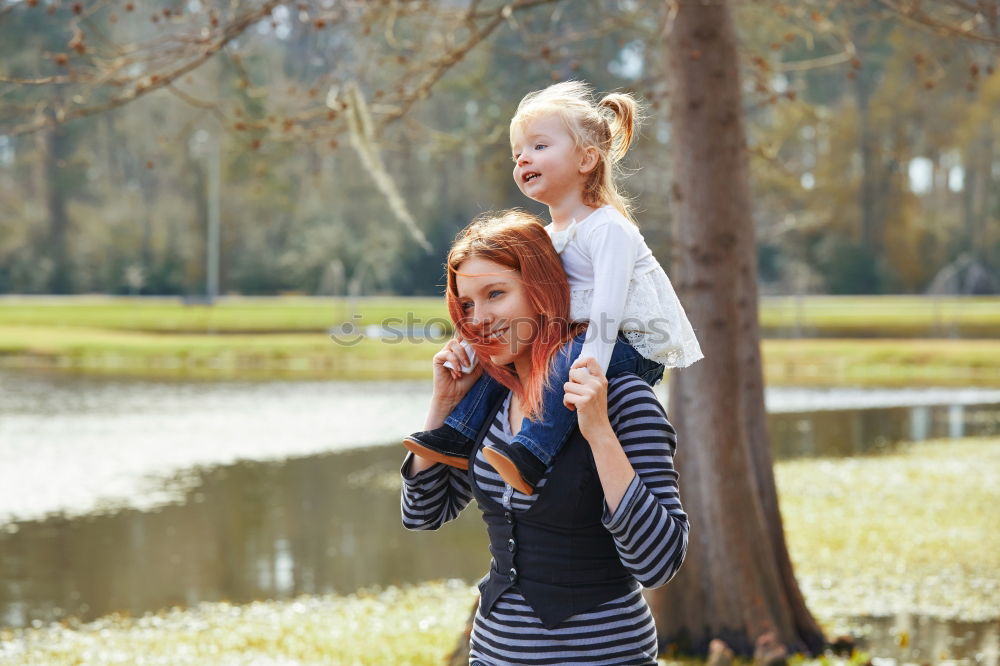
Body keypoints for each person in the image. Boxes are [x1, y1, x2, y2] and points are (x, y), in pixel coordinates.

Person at [401, 210, 689, 664]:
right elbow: (422, 513)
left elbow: (658, 563)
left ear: (544, 291)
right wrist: (443, 404)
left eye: (496, 293)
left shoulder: (624, 398)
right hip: (494, 653)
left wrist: (599, 433)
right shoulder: (488, 399)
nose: (480, 318)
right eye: (467, 304)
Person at [403, 80, 703, 495]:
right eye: (518, 153)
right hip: (582, 340)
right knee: (506, 357)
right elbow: (540, 300)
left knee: (559, 358)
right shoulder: (549, 236)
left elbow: (608, 310)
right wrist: (475, 348)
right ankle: (457, 433)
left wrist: (588, 372)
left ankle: (530, 453)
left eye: (539, 147)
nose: (524, 158)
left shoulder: (608, 228)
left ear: (586, 159)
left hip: (630, 345)